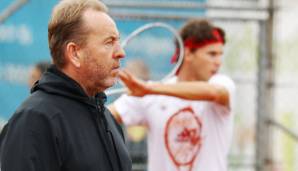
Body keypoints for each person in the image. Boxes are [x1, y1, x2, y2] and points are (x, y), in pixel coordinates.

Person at [0, 0, 131, 171]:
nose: (121, 52)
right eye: (109, 42)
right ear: (74, 53)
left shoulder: (106, 117)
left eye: (118, 41)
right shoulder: (34, 120)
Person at [109, 19, 236, 171]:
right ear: (188, 53)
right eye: (212, 54)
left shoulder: (222, 83)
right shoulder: (150, 94)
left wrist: (151, 89)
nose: (218, 62)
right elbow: (106, 115)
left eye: (220, 54)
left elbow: (214, 93)